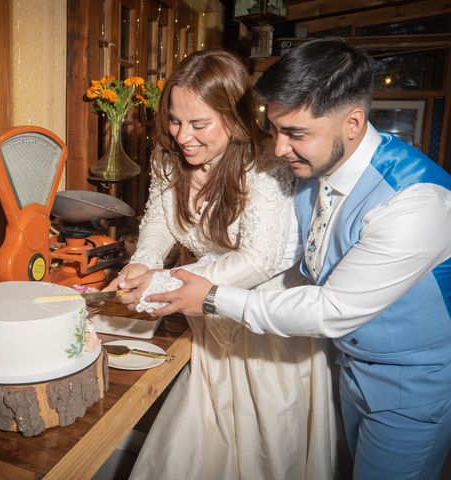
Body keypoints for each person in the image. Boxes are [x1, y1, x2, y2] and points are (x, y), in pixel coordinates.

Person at [142, 38, 451, 479]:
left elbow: (333, 309)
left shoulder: (417, 204)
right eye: (275, 128)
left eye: (296, 134)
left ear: (353, 122)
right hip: (344, 368)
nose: (280, 148)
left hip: (412, 388)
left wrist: (211, 297)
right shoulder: (313, 169)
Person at [104, 48, 337, 479]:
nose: (182, 136)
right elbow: (159, 221)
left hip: (265, 331)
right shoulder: (166, 157)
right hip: (207, 323)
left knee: (264, 446)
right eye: (174, 120)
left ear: (233, 117)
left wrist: (166, 278)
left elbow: (260, 259)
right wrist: (143, 260)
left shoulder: (266, 164)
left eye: (198, 124)